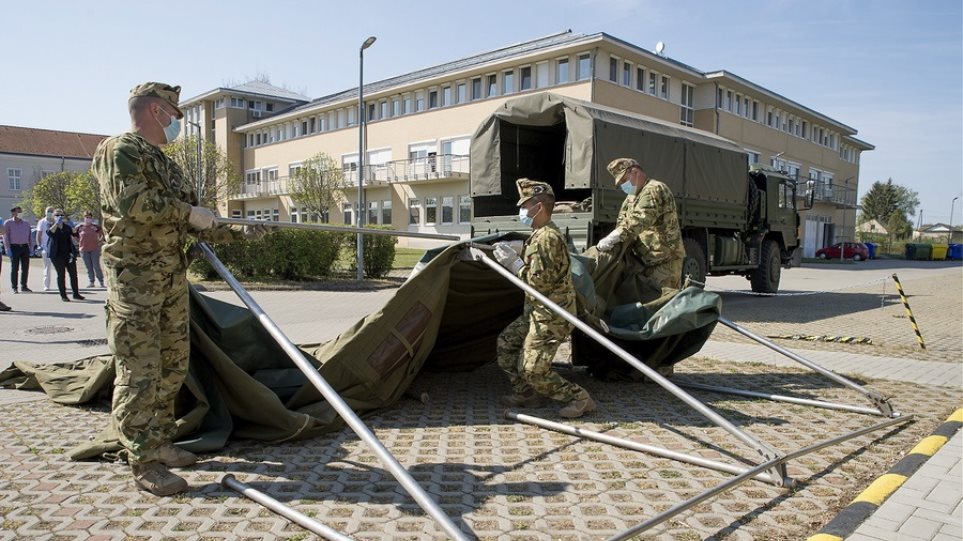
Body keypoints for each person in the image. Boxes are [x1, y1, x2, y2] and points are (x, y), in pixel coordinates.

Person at [91, 82, 266, 497]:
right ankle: (144, 461)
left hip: (169, 278)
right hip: (135, 282)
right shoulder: (120, 150)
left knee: (171, 366)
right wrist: (191, 212)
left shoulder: (165, 163)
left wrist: (242, 231)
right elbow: (134, 203)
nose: (177, 123)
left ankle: (161, 441)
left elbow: (195, 221)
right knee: (139, 371)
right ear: (155, 111)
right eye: (174, 113)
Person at [492, 178, 596, 419]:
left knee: (532, 369)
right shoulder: (540, 233)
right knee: (506, 344)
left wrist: (513, 264)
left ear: (538, 207)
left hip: (552, 315)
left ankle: (579, 398)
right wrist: (520, 249)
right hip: (537, 312)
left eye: (525, 205)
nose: (522, 211)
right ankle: (527, 394)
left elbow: (536, 283)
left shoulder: (546, 238)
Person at [596, 158, 686, 289]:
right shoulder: (631, 198)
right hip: (644, 262)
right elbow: (622, 223)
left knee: (663, 303)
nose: (623, 186)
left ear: (634, 172)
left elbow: (638, 220)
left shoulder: (654, 189)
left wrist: (613, 237)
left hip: (664, 262)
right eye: (620, 183)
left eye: (623, 180)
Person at [46, 209, 84, 302]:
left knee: (73, 274)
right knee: (61, 275)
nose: (59, 217)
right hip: (57, 255)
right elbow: (50, 233)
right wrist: (57, 224)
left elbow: (74, 234)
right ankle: (63, 295)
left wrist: (75, 229)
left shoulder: (67, 227)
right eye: (57, 215)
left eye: (61, 215)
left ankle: (76, 294)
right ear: (53, 217)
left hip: (68, 254)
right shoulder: (51, 226)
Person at [3, 206, 33, 293]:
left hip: (24, 247)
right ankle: (14, 287)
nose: (20, 213)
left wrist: (31, 247)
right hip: (14, 247)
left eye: (21, 212)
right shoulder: (8, 223)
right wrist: (7, 248)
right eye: (18, 212)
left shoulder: (26, 223)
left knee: (25, 268)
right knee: (15, 268)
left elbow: (30, 236)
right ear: (13, 213)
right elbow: (5, 237)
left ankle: (24, 286)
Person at [74, 210, 105, 288]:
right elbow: (74, 234)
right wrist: (78, 242)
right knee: (89, 267)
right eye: (86, 217)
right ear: (83, 218)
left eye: (89, 217)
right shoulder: (79, 227)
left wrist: (100, 242)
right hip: (84, 250)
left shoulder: (95, 227)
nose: (88, 219)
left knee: (96, 265)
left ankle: (101, 281)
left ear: (91, 218)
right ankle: (91, 281)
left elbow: (103, 234)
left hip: (94, 249)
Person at [36, 206, 55, 291]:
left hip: (55, 246)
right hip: (46, 247)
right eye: (48, 211)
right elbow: (39, 234)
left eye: (51, 211)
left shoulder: (56, 221)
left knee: (59, 266)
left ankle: (61, 284)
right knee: (47, 267)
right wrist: (39, 245)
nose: (50, 213)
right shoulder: (42, 222)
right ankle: (46, 285)